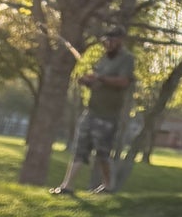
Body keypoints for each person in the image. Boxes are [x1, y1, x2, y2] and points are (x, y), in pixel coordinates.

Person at [51, 26, 135, 196]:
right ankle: (67, 186)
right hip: (91, 111)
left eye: (111, 41)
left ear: (119, 41)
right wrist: (87, 81)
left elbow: (123, 82)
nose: (107, 44)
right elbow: (97, 81)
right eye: (105, 41)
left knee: (103, 152)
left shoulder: (126, 59)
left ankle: (108, 187)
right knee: (79, 149)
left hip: (108, 115)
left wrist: (101, 78)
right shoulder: (103, 59)